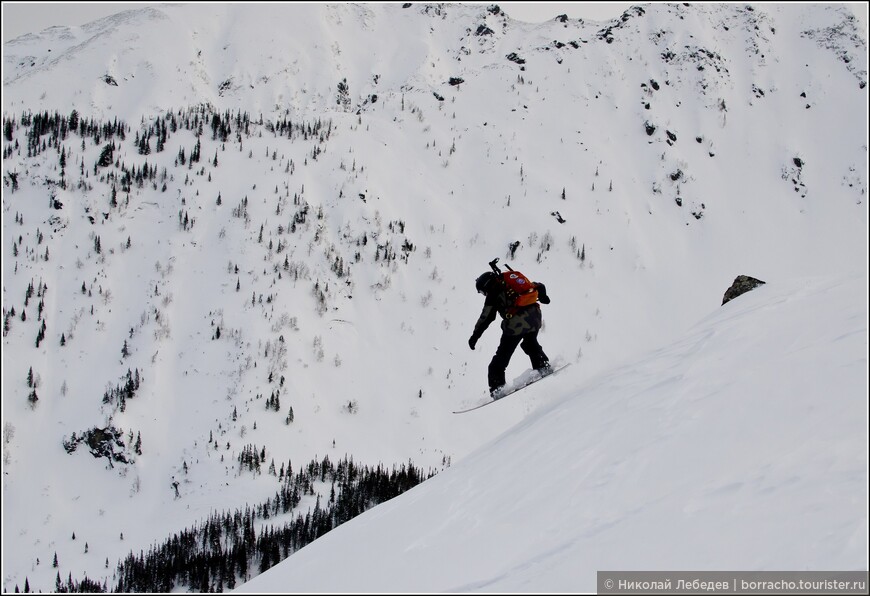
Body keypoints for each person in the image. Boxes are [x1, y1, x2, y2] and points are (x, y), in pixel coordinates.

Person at [468, 269, 551, 399]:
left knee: (499, 359)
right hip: (535, 318)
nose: (484, 294)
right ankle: (543, 366)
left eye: (483, 292)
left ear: (486, 285)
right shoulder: (511, 284)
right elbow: (539, 286)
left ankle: (498, 389)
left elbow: (486, 317)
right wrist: (544, 297)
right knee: (530, 344)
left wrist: (474, 337)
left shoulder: (494, 291)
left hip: (516, 325)